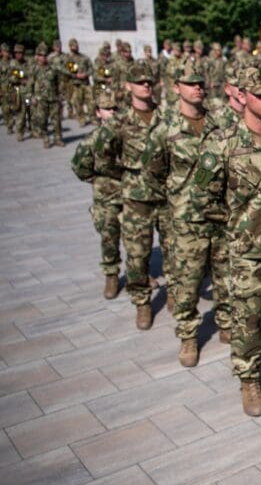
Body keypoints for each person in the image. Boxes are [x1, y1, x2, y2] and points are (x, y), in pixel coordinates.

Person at [191, 66, 261, 416]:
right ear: (242, 97)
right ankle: (249, 378)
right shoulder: (223, 142)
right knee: (247, 319)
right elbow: (201, 197)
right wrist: (237, 226)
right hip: (247, 253)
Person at [141, 60, 229, 367]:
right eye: (190, 83)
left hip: (220, 216)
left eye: (200, 83)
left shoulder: (219, 123)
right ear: (176, 87)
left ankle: (227, 321)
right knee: (187, 281)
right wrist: (178, 197)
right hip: (186, 220)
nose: (197, 88)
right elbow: (152, 171)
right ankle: (189, 335)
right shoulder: (165, 128)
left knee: (225, 276)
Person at [94, 62, 166, 330]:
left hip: (167, 194)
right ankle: (142, 302)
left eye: (149, 81)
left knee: (174, 253)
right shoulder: (119, 121)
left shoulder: (166, 117)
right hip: (136, 198)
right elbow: (100, 155)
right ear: (128, 86)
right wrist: (124, 175)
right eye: (139, 81)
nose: (145, 85)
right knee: (137, 254)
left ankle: (178, 300)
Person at [71, 92, 123, 299]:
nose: (112, 112)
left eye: (114, 108)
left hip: (129, 195)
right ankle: (111, 275)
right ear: (98, 113)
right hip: (106, 198)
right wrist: (98, 181)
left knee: (136, 240)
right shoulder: (92, 140)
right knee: (109, 238)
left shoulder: (126, 136)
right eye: (107, 109)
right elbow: (79, 166)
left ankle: (141, 275)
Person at [28, 42, 62, 148]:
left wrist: (60, 95)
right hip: (40, 99)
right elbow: (29, 85)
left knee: (56, 120)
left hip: (53, 98)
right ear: (37, 56)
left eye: (44, 55)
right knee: (42, 120)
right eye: (40, 55)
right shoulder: (34, 69)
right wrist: (31, 97)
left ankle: (58, 139)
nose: (43, 58)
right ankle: (46, 138)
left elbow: (58, 83)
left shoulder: (52, 68)